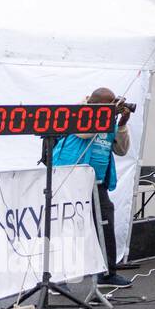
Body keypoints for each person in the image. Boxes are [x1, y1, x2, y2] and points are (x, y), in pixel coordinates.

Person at [51, 87, 134, 288]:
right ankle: (59, 277)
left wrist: (122, 124)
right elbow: (84, 133)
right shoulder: (79, 114)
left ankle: (107, 273)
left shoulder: (110, 121)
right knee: (68, 226)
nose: (113, 107)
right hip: (71, 179)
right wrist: (107, 115)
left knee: (105, 224)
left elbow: (121, 150)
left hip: (96, 182)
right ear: (94, 105)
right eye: (108, 103)